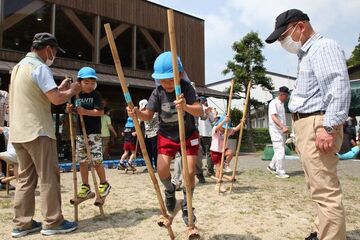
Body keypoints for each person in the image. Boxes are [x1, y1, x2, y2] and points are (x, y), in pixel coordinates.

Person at [266, 9, 351, 240]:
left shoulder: (323, 47)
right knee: (317, 187)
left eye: (284, 35)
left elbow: (337, 87)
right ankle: (322, 231)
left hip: (318, 123)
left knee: (325, 190)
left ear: (300, 26)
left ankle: (331, 237)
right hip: (308, 123)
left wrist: (329, 127)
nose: (284, 41)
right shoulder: (307, 53)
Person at [9, 32, 80, 237]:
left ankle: (22, 224)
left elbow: (43, 95)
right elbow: (56, 99)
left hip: (19, 132)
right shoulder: (40, 67)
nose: (54, 55)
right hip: (38, 130)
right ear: (48, 49)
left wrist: (60, 88)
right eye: (55, 51)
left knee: (25, 178)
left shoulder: (19, 67)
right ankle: (53, 221)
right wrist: (72, 90)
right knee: (48, 176)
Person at [127, 51, 203, 226]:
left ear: (180, 74)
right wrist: (137, 113)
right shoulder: (158, 92)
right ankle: (170, 190)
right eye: (163, 80)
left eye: (171, 79)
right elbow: (148, 115)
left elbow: (199, 110)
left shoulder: (187, 88)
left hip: (188, 135)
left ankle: (187, 204)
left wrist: (185, 106)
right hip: (166, 135)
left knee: (189, 172)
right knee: (161, 168)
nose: (167, 83)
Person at [66, 67, 111, 200]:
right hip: (81, 132)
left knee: (96, 159)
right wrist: (70, 109)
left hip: (94, 133)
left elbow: (101, 112)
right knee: (82, 161)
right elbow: (75, 110)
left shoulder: (95, 95)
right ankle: (85, 186)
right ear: (79, 82)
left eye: (92, 83)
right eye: (86, 83)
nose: (90, 85)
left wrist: (85, 111)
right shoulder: (76, 95)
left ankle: (104, 183)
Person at [210, 115, 241, 192]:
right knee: (219, 170)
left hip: (224, 149)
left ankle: (225, 164)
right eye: (223, 127)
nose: (224, 129)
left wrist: (242, 122)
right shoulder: (215, 129)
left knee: (230, 152)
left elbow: (236, 129)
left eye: (225, 127)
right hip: (215, 151)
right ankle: (218, 185)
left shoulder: (228, 131)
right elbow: (217, 127)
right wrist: (224, 121)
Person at [266, 86, 290, 179]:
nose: (287, 98)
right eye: (286, 96)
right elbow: (273, 117)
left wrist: (285, 127)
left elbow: (280, 118)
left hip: (280, 131)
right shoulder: (274, 103)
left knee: (279, 150)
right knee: (280, 151)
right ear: (281, 94)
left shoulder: (281, 104)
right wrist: (282, 127)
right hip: (275, 131)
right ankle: (279, 171)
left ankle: (271, 166)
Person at [198, 97, 215, 178]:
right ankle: (210, 171)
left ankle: (199, 173)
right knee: (209, 153)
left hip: (197, 133)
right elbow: (212, 120)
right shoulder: (208, 109)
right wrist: (214, 113)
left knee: (198, 154)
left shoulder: (195, 108)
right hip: (207, 134)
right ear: (205, 102)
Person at [139, 99, 159, 170]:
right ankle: (149, 166)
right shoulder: (142, 112)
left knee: (155, 150)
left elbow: (150, 118)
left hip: (155, 132)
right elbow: (139, 120)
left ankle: (157, 165)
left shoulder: (153, 111)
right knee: (148, 150)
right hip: (147, 134)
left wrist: (142, 115)